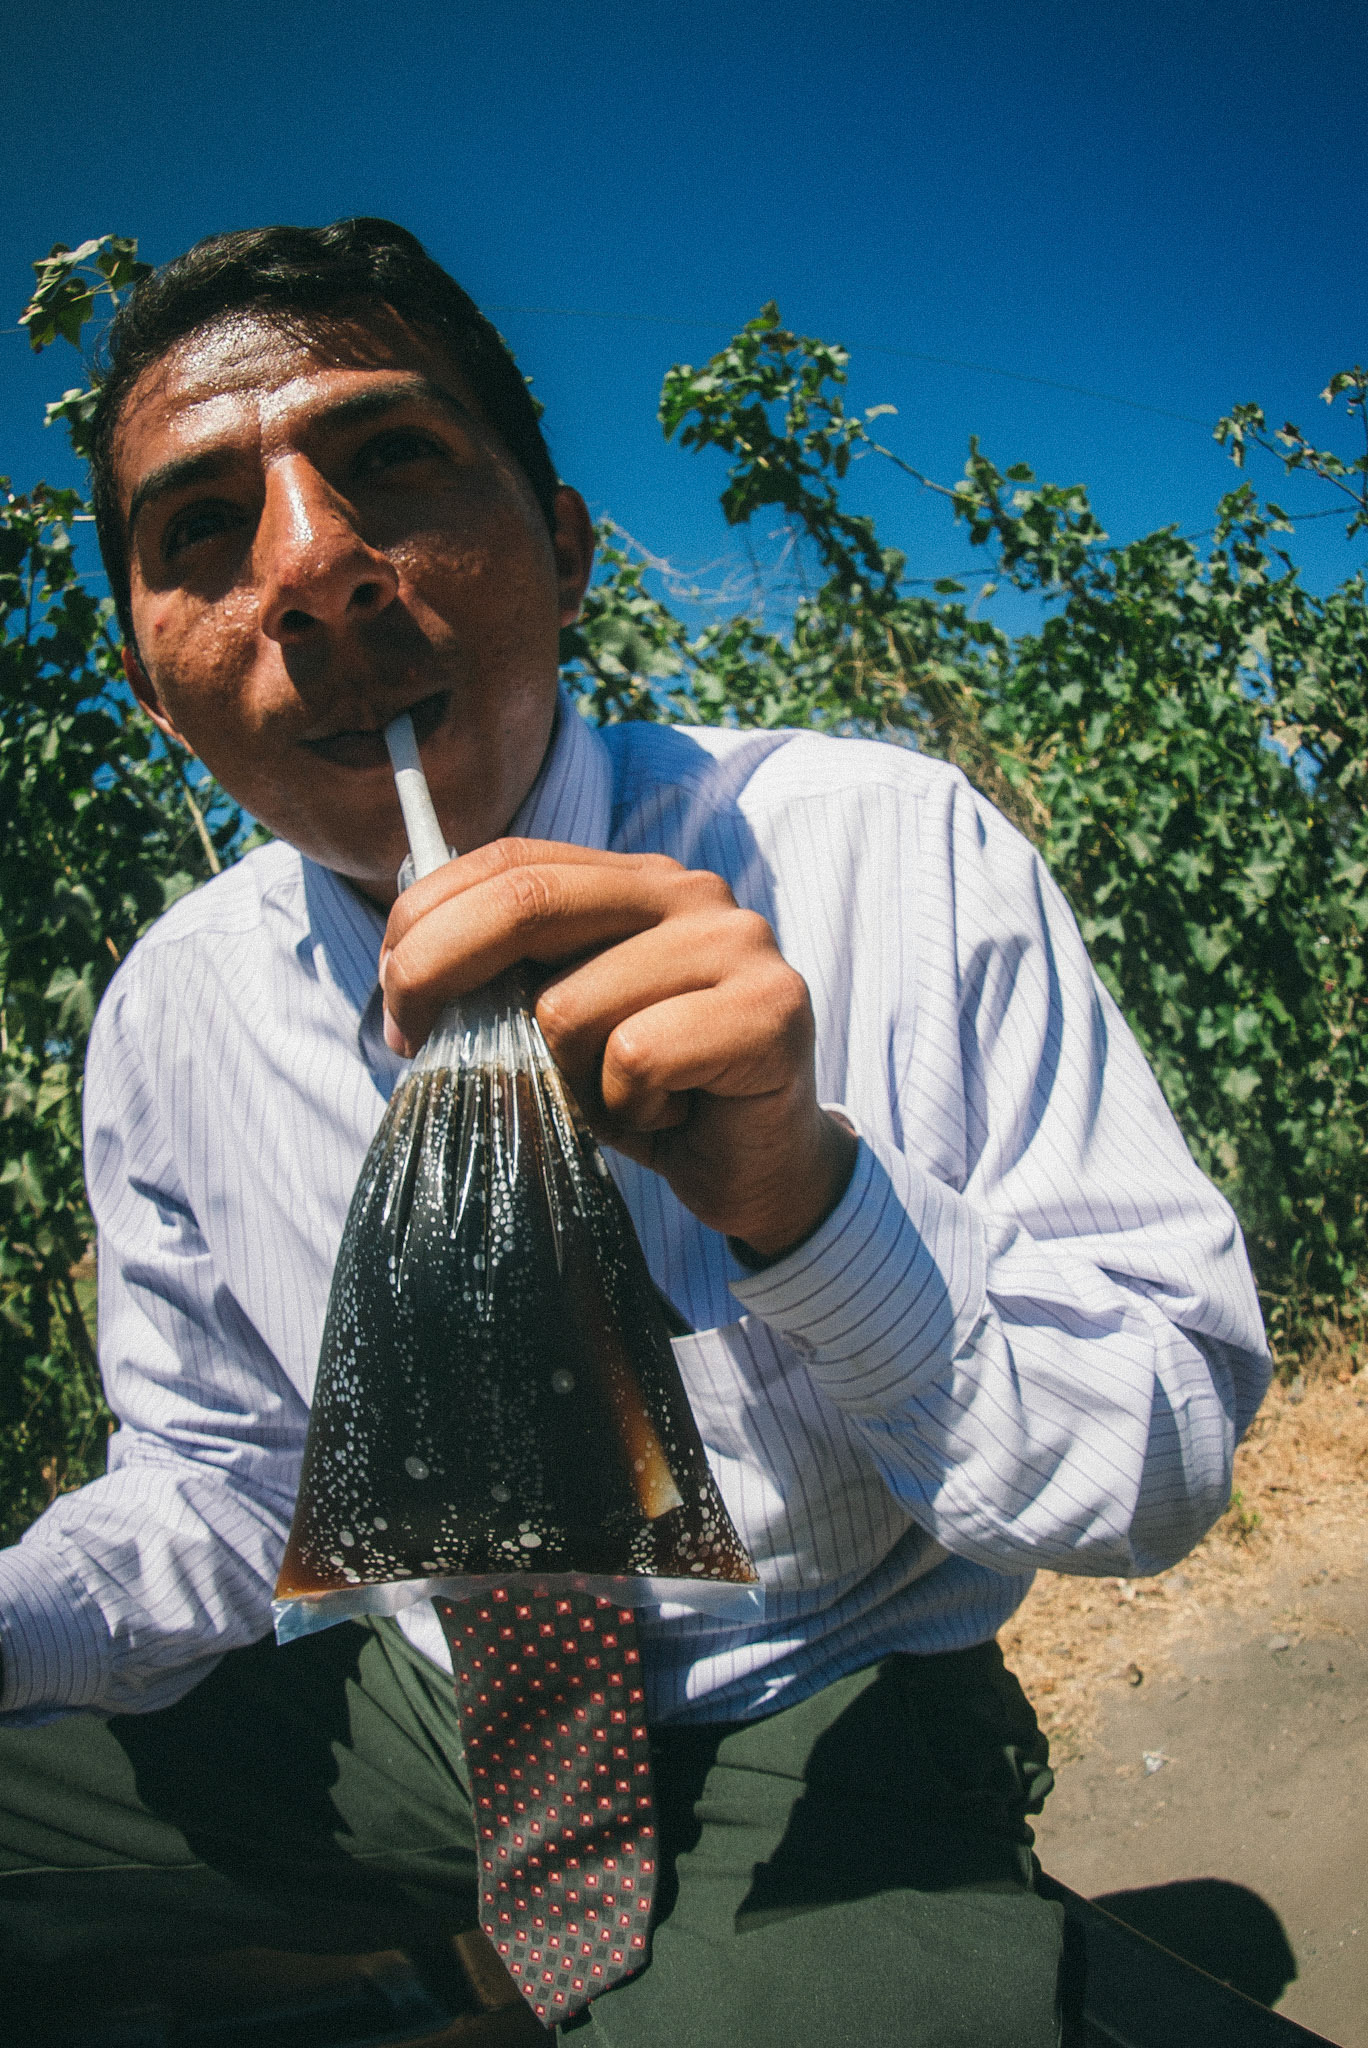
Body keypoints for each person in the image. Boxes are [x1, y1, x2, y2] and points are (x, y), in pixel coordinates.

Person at [0, 219, 1269, 2047]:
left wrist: (810, 1203)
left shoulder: (886, 852)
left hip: (818, 1691)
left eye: (391, 456)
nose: (312, 564)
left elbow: (1164, 1459)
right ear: (149, 677)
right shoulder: (171, 1017)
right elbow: (217, 1478)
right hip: (429, 1704)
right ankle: (467, 1952)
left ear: (570, 549)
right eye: (199, 525)